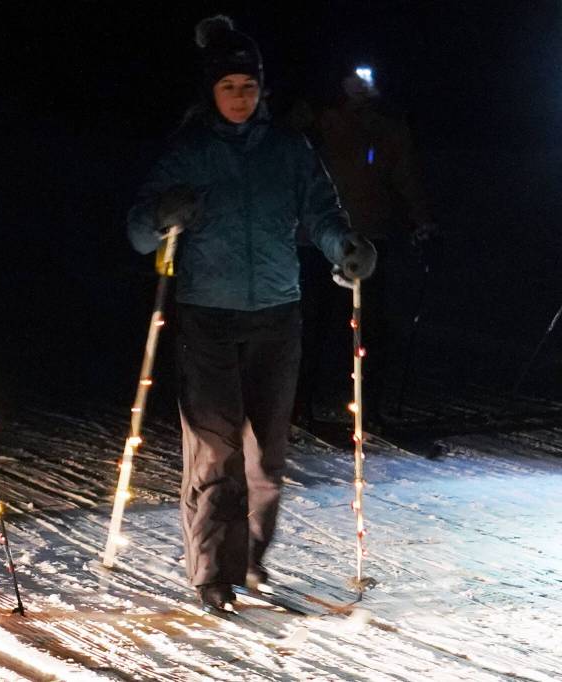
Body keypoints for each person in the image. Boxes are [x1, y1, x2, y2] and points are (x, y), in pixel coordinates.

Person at [126, 15, 376, 614]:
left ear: (262, 89)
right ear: (211, 91)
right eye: (228, 87)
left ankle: (251, 559)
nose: (240, 97)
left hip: (276, 313)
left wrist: (344, 245)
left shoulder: (288, 150)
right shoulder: (189, 151)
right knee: (215, 451)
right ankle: (213, 571)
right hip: (207, 315)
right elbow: (138, 231)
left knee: (267, 452)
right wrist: (162, 213)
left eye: (248, 86)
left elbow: (321, 212)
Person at [295, 65, 438, 430]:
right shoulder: (321, 118)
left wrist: (421, 220)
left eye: (367, 78)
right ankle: (299, 403)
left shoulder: (389, 126)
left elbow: (406, 175)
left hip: (369, 239)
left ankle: (368, 407)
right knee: (313, 323)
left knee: (371, 327)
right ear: (341, 82)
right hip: (318, 240)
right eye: (353, 78)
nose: (361, 86)